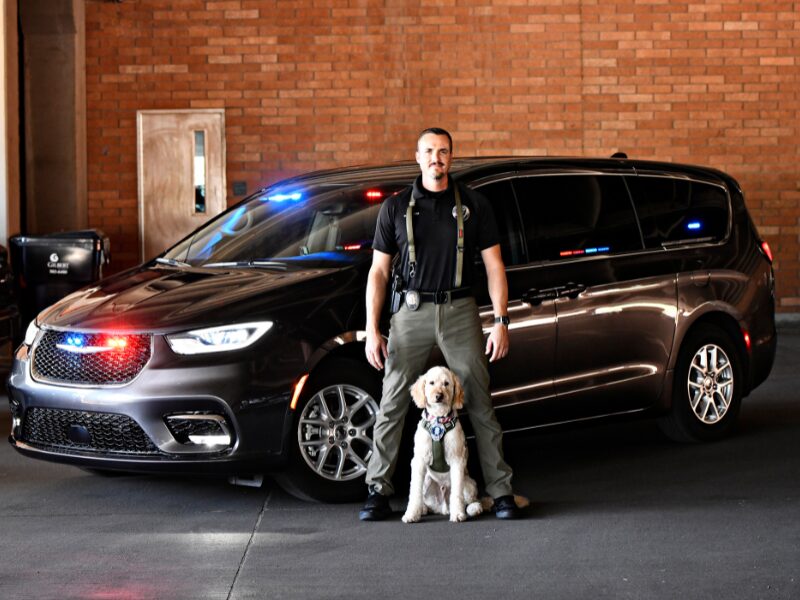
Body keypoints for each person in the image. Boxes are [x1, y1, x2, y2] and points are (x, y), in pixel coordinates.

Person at [360, 127, 521, 521]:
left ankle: (500, 492)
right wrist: (373, 328)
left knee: (479, 399)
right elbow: (379, 272)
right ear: (417, 157)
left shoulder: (474, 205)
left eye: (444, 152)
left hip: (460, 311)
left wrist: (501, 319)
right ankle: (378, 490)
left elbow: (494, 265)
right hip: (410, 314)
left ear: (452, 158)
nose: (437, 158)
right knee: (394, 398)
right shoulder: (395, 208)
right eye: (429, 151)